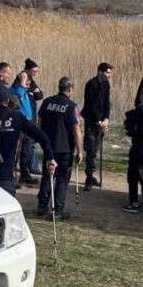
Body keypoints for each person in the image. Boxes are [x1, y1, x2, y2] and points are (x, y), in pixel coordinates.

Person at [36, 77, 83, 220]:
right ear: (69, 89)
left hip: (49, 147)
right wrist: (80, 150)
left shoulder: (47, 102)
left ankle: (42, 206)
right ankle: (58, 210)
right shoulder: (71, 106)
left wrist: (42, 140)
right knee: (62, 179)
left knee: (47, 175)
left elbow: (39, 122)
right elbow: (76, 130)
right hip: (64, 148)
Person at [80, 62, 113, 190]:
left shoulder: (106, 84)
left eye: (110, 73)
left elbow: (106, 103)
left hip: (101, 122)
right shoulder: (91, 84)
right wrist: (97, 120)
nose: (109, 75)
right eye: (107, 72)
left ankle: (91, 173)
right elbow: (91, 104)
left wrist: (106, 119)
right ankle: (88, 178)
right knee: (90, 148)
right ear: (100, 72)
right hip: (91, 121)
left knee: (96, 149)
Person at [10, 71, 39, 187]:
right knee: (16, 151)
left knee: (26, 151)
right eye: (26, 84)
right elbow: (19, 92)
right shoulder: (15, 90)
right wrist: (22, 80)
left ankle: (25, 173)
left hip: (27, 125)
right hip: (18, 125)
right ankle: (12, 176)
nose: (27, 87)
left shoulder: (24, 91)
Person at [23, 58, 44, 175]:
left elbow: (40, 94)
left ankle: (31, 165)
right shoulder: (21, 80)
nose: (36, 73)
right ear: (28, 70)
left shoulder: (31, 81)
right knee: (29, 143)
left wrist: (34, 93)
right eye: (34, 71)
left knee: (31, 142)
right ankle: (32, 166)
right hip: (26, 117)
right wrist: (32, 93)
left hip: (32, 116)